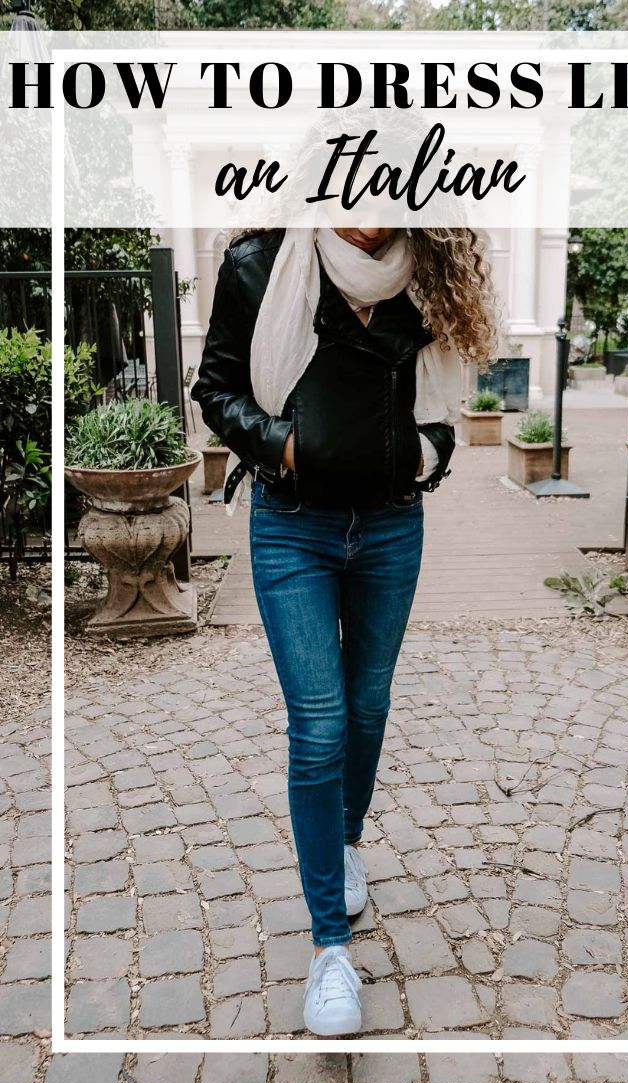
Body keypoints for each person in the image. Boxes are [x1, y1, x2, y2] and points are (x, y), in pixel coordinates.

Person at [192, 224, 497, 1036]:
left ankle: (348, 839)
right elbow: (215, 388)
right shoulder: (260, 262)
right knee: (319, 725)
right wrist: (285, 446)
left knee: (366, 705)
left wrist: (428, 451)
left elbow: (446, 397)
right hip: (291, 526)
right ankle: (330, 947)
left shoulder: (429, 267)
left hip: (392, 526)